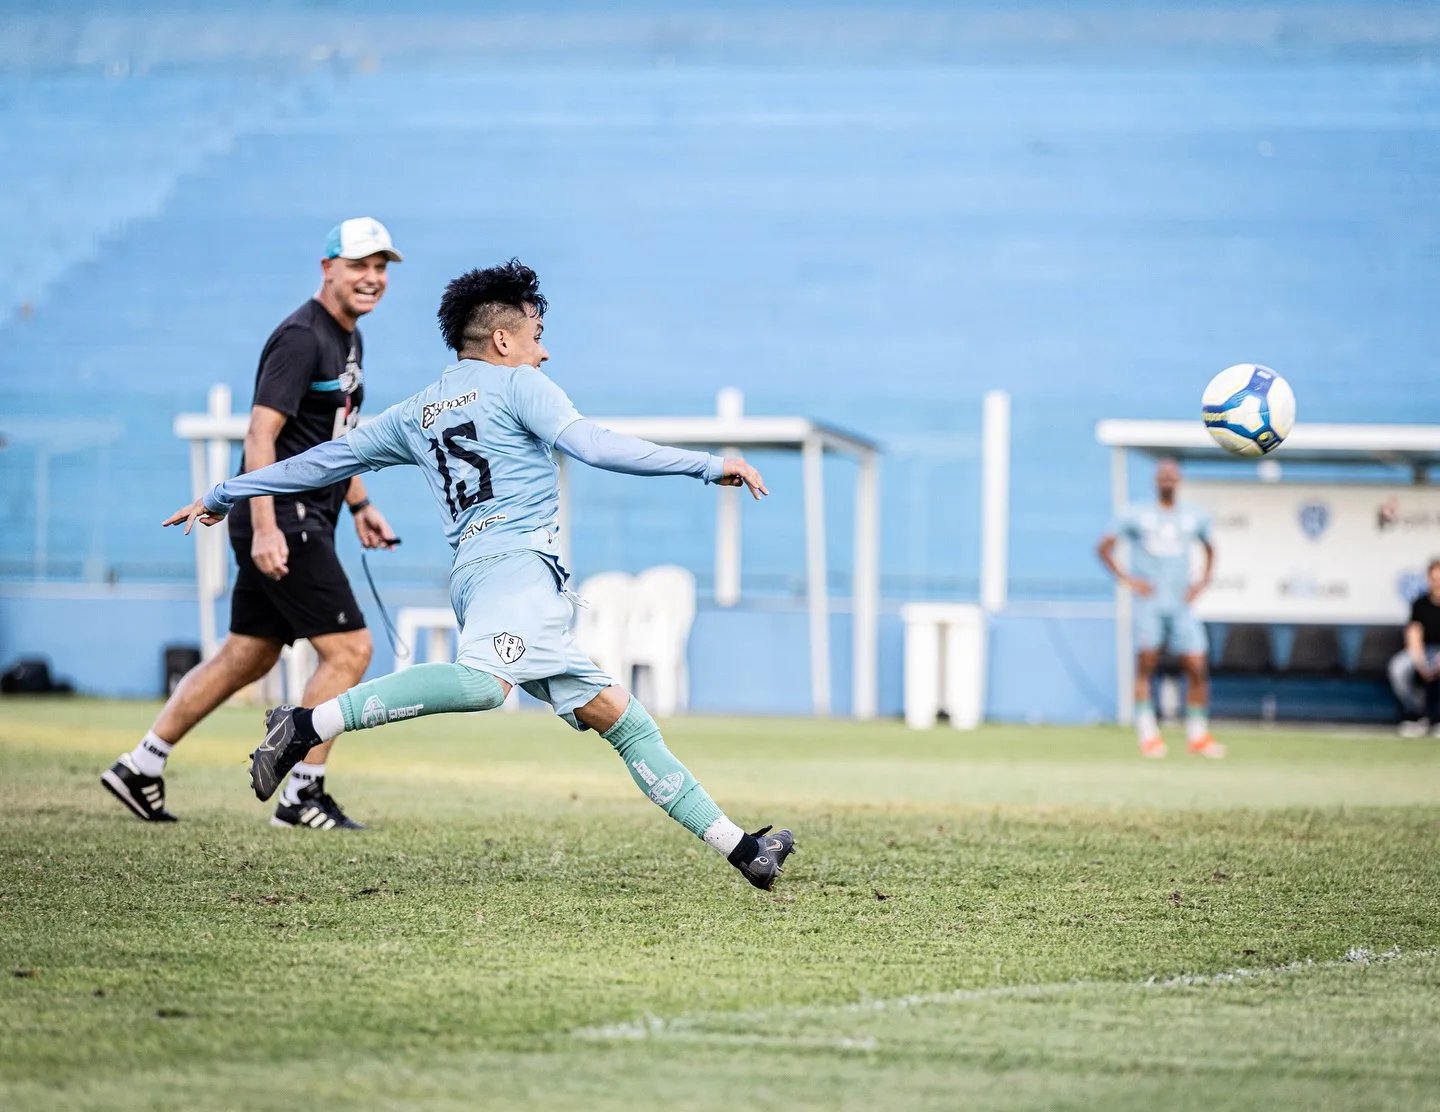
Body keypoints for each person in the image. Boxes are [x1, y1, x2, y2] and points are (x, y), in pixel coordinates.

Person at [163, 259, 797, 889]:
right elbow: (596, 446)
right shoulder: (521, 385)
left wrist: (224, 492)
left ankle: (743, 849)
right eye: (537, 333)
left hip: (483, 578)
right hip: (516, 573)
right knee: (486, 687)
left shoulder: (420, 410)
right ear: (502, 339)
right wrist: (711, 465)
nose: (543, 353)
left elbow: (321, 459)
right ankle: (306, 724)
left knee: (622, 718)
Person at [103, 218, 402, 829]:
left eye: (381, 267)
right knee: (350, 650)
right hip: (283, 519)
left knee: (248, 655)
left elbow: (335, 439)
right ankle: (301, 795)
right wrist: (265, 527)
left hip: (305, 515)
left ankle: (141, 764)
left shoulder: (349, 337)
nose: (371, 278)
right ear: (328, 270)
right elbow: (260, 436)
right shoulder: (300, 336)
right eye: (359, 265)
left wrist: (360, 504)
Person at [1097, 457, 1223, 759]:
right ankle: (1148, 734)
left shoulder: (1193, 517)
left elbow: (1210, 547)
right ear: (1155, 481)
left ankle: (1197, 735)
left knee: (1196, 665)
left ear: (1178, 481)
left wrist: (1202, 582)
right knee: (1147, 664)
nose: (1167, 481)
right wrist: (1129, 580)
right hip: (1151, 604)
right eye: (1162, 477)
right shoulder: (1137, 515)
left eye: (1172, 477)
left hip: (1181, 604)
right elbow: (1104, 546)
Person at [1389, 559, 1440, 737]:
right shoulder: (1420, 604)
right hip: (1424, 650)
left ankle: (1437, 719)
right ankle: (1416, 714)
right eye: (1434, 579)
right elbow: (1414, 634)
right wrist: (1420, 662)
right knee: (1399, 667)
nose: (1437, 583)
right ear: (1428, 579)